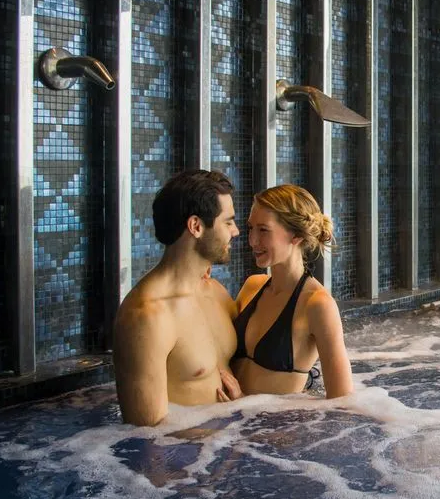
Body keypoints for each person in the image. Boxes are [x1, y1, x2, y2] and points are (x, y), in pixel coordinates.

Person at [113, 169, 241, 426]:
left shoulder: (216, 294)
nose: (236, 231)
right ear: (196, 226)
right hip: (190, 459)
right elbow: (147, 437)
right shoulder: (147, 316)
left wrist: (242, 404)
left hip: (230, 445)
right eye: (228, 222)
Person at [224, 184, 354, 400]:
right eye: (250, 228)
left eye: (263, 230)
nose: (252, 240)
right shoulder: (252, 287)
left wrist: (243, 400)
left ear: (296, 235)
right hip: (229, 422)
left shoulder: (317, 305)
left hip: (272, 428)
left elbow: (343, 402)